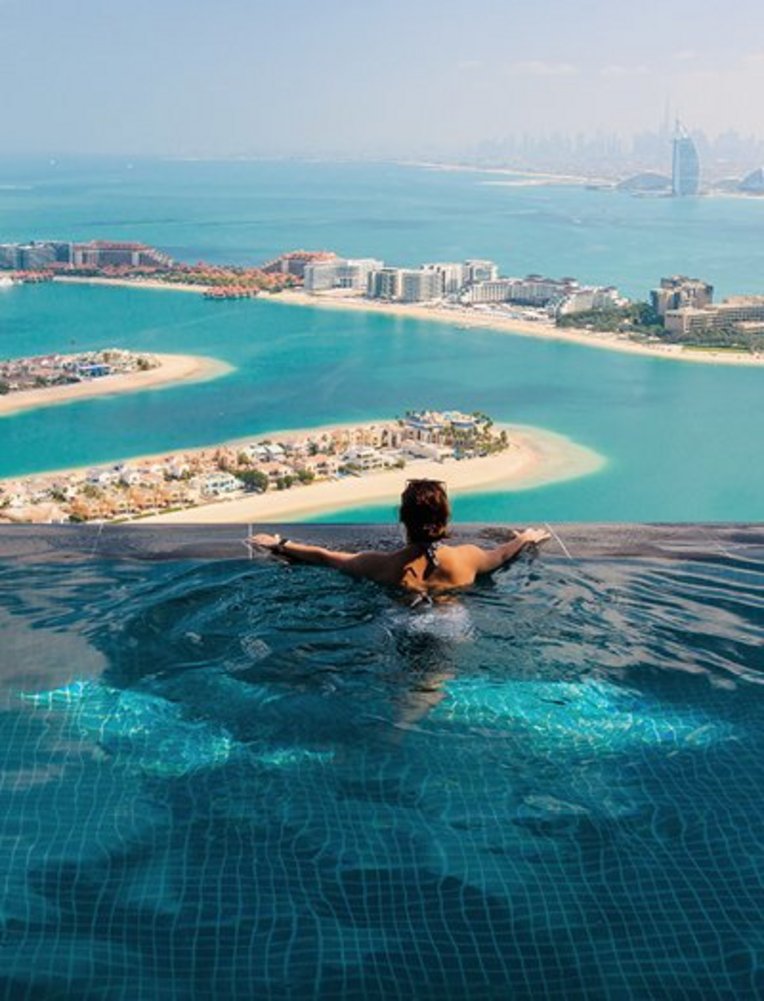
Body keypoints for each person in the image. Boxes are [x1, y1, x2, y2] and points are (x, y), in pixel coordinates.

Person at [248, 478, 550, 600]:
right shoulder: (467, 558)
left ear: (403, 520)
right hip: (451, 626)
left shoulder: (380, 565)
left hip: (400, 623)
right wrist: (526, 536)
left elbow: (325, 556)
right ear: (445, 520)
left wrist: (280, 544)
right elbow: (503, 553)